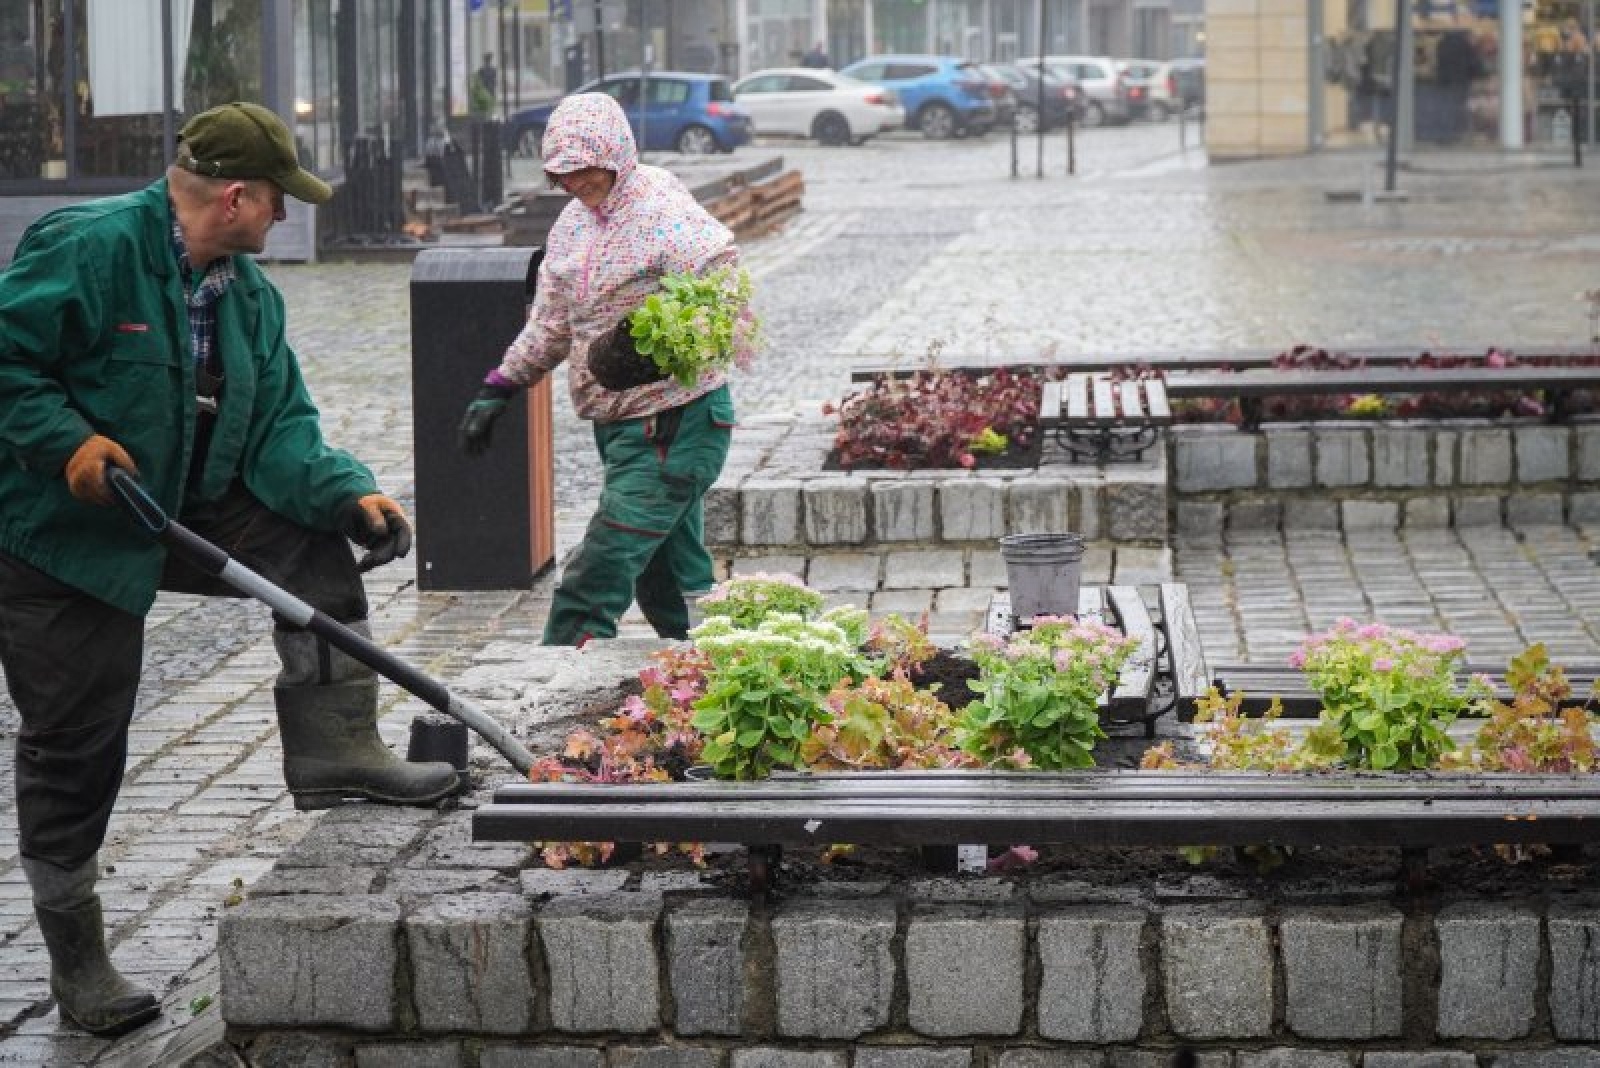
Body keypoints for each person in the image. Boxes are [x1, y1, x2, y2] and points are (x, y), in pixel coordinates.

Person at [0, 102, 459, 1037]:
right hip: (60, 529)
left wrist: (345, 493)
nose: (284, 220)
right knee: (78, 736)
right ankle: (77, 952)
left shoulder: (248, 293)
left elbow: (282, 424)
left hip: (180, 497)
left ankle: (338, 750)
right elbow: (9, 365)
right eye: (278, 203)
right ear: (236, 198)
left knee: (308, 549)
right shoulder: (88, 247)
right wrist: (68, 444)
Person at [457, 93, 751, 647]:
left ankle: (554, 680)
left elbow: (720, 281)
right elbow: (551, 323)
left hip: (676, 421)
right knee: (667, 575)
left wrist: (659, 341)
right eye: (562, 172)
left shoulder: (660, 205)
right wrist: (499, 387)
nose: (575, 181)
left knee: (603, 565)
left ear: (615, 153)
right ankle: (722, 662)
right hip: (618, 427)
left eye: (585, 167)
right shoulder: (571, 226)